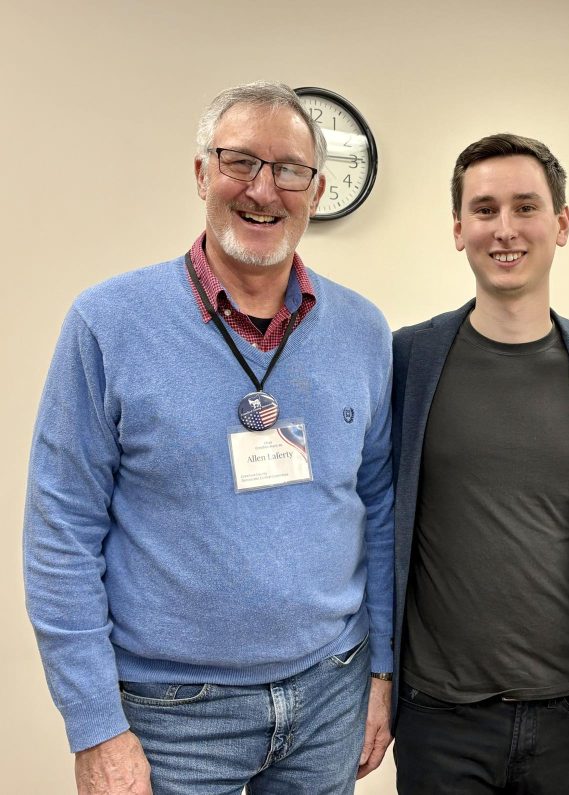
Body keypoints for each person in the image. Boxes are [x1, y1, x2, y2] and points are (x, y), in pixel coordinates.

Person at [23, 81, 394, 795]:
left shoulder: (363, 330)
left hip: (330, 695)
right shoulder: (108, 323)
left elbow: (379, 507)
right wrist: (96, 724)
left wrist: (381, 671)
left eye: (290, 169)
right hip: (174, 716)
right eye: (240, 161)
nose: (264, 188)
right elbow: (60, 530)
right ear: (201, 173)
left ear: (315, 191)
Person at [390, 133, 569, 793]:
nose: (505, 229)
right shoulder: (406, 362)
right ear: (457, 228)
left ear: (561, 224)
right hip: (440, 717)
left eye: (526, 207)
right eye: (485, 209)